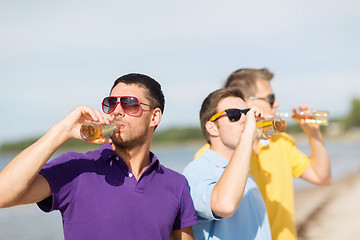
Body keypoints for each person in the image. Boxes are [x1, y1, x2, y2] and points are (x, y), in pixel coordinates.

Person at [0, 73, 198, 240]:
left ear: (154, 117)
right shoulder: (76, 168)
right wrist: (62, 131)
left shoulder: (176, 184)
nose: (117, 111)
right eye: (111, 103)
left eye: (129, 104)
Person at [194, 68, 332, 240]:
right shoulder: (211, 155)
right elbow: (220, 206)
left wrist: (313, 133)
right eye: (270, 98)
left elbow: (322, 177)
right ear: (245, 102)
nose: (276, 104)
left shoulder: (280, 142)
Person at [183, 87, 272, 240]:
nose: (245, 120)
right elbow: (224, 205)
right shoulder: (197, 170)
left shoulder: (246, 175)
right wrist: (247, 136)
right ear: (212, 128)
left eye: (247, 113)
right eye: (234, 115)